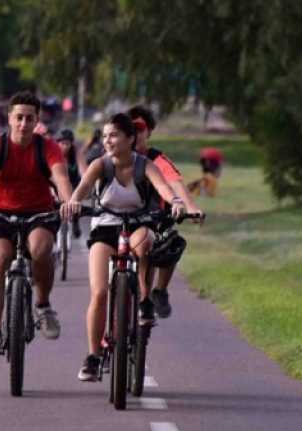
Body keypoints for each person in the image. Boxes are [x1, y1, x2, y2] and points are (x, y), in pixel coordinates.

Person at [60, 113, 185, 381]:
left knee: (147, 242)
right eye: (105, 136)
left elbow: (162, 186)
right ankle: (93, 356)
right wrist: (72, 202)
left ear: (130, 139)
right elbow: (81, 189)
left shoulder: (145, 165)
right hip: (105, 227)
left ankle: (143, 300)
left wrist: (175, 201)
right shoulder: (100, 165)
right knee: (99, 293)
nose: (107, 141)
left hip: (137, 223)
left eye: (114, 135)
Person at [0, 91, 75, 355]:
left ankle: (43, 306)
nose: (24, 124)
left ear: (37, 121)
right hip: (0, 214)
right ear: (9, 119)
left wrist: (68, 201)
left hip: (38, 214)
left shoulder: (47, 147)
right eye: (19, 118)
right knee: (0, 258)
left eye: (29, 118)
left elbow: (60, 177)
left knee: (41, 250)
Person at [127, 105, 203, 319]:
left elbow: (175, 182)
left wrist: (191, 207)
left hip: (155, 217)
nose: (135, 134)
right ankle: (139, 299)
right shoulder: (117, 155)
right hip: (125, 218)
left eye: (140, 129)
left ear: (149, 132)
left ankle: (159, 290)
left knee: (171, 241)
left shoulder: (157, 159)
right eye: (131, 129)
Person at [57, 129, 86, 238]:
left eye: (67, 144)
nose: (64, 146)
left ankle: (75, 221)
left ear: (71, 144)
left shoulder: (76, 153)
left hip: (73, 183)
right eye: (62, 143)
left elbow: (83, 170)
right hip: (57, 184)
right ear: (57, 143)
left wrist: (85, 182)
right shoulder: (53, 153)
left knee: (75, 199)